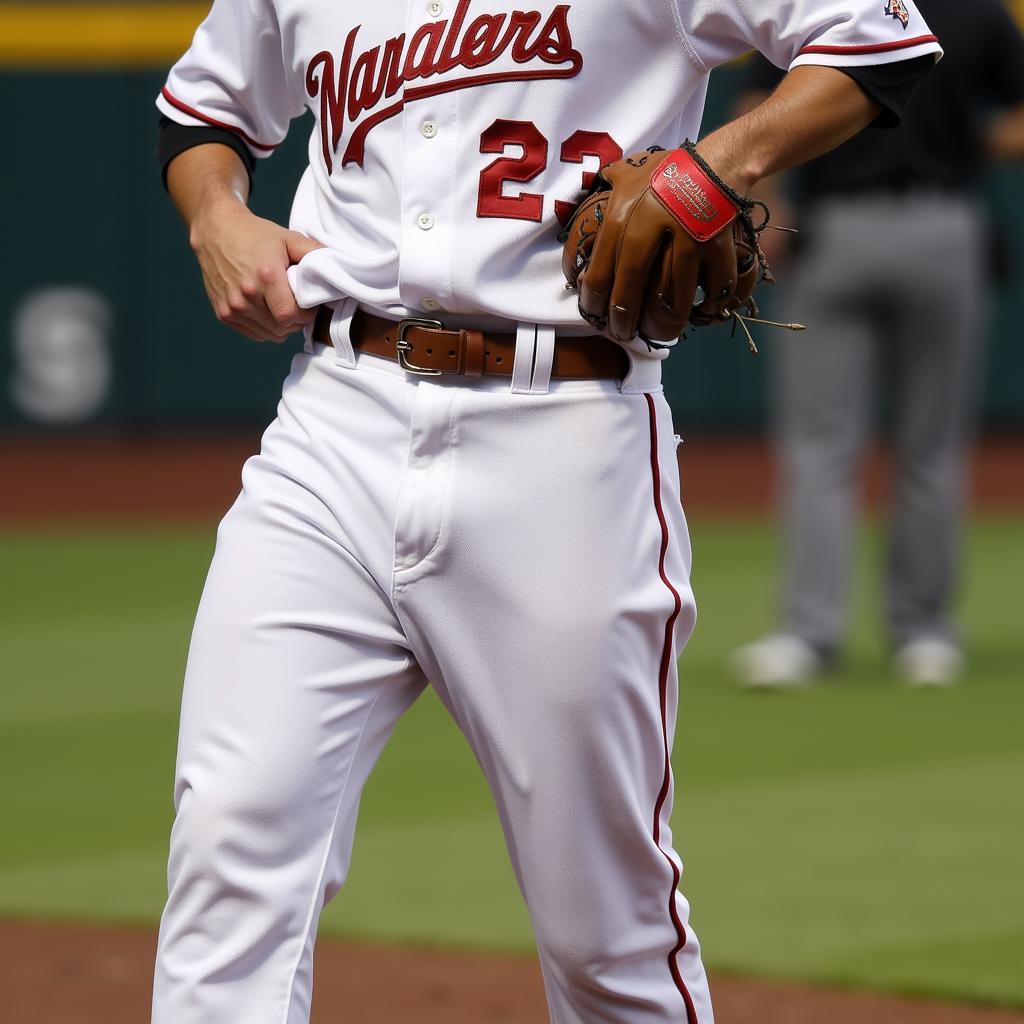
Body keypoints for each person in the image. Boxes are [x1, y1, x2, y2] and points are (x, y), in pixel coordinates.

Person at [151, 2, 938, 1020]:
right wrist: (218, 215)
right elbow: (202, 108)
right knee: (228, 845)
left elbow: (878, 41)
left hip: (563, 429)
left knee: (603, 935)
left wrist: (719, 162)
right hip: (332, 425)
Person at [729, 0, 1024, 690]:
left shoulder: (834, 5)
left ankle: (836, 633)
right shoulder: (971, 10)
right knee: (894, 446)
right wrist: (969, 141)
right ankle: (893, 634)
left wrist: (770, 202)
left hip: (878, 225)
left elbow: (752, 110)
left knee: (844, 446)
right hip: (909, 224)